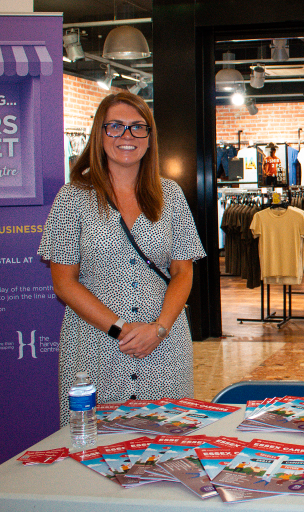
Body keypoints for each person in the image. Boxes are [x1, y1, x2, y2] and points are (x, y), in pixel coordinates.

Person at [38, 91, 206, 426]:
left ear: (149, 137)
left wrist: (159, 329)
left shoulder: (170, 195)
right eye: (115, 127)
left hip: (163, 344)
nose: (126, 136)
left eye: (137, 127)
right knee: (93, 446)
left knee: (166, 442)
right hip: (95, 344)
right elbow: (64, 282)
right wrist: (121, 330)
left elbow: (182, 271)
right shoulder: (73, 198)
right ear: (99, 134)